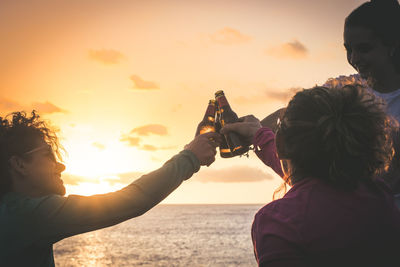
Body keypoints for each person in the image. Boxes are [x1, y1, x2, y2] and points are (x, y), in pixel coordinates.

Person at [0, 111, 221, 267]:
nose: (61, 165)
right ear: (19, 164)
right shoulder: (25, 216)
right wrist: (189, 158)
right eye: (48, 154)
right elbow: (131, 200)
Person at [222, 85, 400, 266]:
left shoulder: (279, 223)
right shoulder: (378, 194)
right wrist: (259, 135)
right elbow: (312, 171)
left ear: (281, 144)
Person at [260, 0, 400, 204]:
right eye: (348, 49)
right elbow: (296, 115)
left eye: (364, 49)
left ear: (392, 45)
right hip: (344, 213)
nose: (354, 58)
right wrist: (256, 131)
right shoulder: (344, 88)